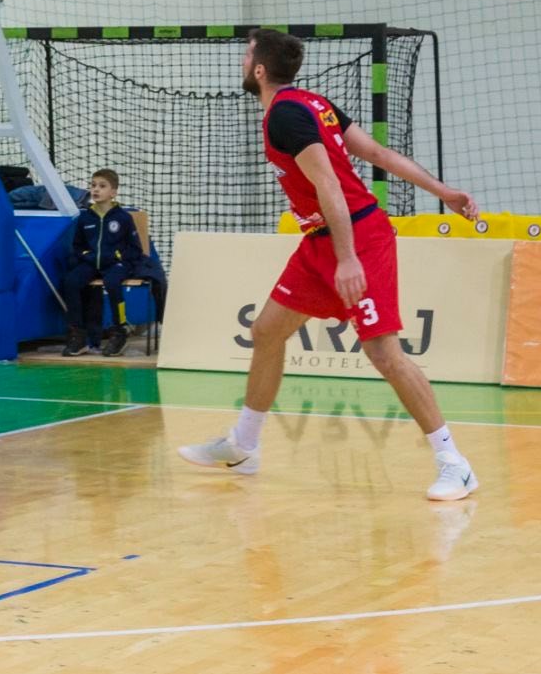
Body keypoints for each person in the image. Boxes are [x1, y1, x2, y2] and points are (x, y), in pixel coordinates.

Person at [178, 29, 482, 501]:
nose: (242, 61)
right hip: (321, 240)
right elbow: (378, 154)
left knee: (384, 353)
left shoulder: (286, 116)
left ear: (260, 69)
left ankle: (454, 464)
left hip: (357, 237)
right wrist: (442, 191)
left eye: (247, 54)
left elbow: (330, 186)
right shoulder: (313, 103)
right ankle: (244, 445)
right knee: (266, 331)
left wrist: (347, 258)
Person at [60, 169, 147, 357]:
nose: (96, 189)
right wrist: (87, 255)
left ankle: (120, 331)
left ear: (113, 192)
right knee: (71, 282)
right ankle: (78, 335)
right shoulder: (85, 218)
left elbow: (135, 249)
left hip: (116, 264)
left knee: (112, 282)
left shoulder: (123, 218)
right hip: (92, 263)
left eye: (102, 186)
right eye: (93, 185)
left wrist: (116, 255)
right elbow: (77, 246)